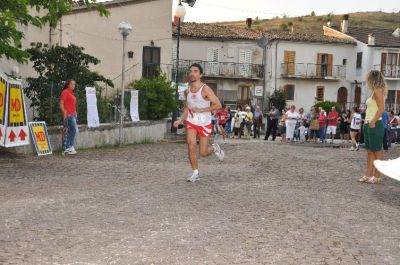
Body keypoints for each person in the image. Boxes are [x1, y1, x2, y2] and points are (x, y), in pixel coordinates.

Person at [174, 63, 224, 183]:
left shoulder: (205, 89)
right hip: (191, 122)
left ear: (200, 74)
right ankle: (195, 173)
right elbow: (187, 107)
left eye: (195, 71)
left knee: (203, 152)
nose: (192, 73)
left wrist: (202, 109)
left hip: (205, 123)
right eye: (190, 71)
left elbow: (218, 105)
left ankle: (214, 148)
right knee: (191, 146)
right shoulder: (187, 91)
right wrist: (181, 119)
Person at [358, 70, 387, 184]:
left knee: (377, 151)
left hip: (375, 123)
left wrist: (373, 121)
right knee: (370, 151)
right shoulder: (374, 92)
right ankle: (368, 174)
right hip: (368, 123)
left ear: (372, 79)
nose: (367, 81)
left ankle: (378, 175)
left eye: (368, 78)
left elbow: (381, 109)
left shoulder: (378, 91)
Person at [60, 80, 78, 155]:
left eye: (74, 84)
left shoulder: (72, 93)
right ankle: (68, 146)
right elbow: (61, 103)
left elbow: (72, 105)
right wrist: (64, 112)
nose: (73, 86)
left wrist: (76, 112)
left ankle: (68, 147)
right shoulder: (65, 92)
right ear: (68, 84)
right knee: (73, 130)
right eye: (72, 84)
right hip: (68, 115)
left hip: (73, 115)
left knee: (71, 130)